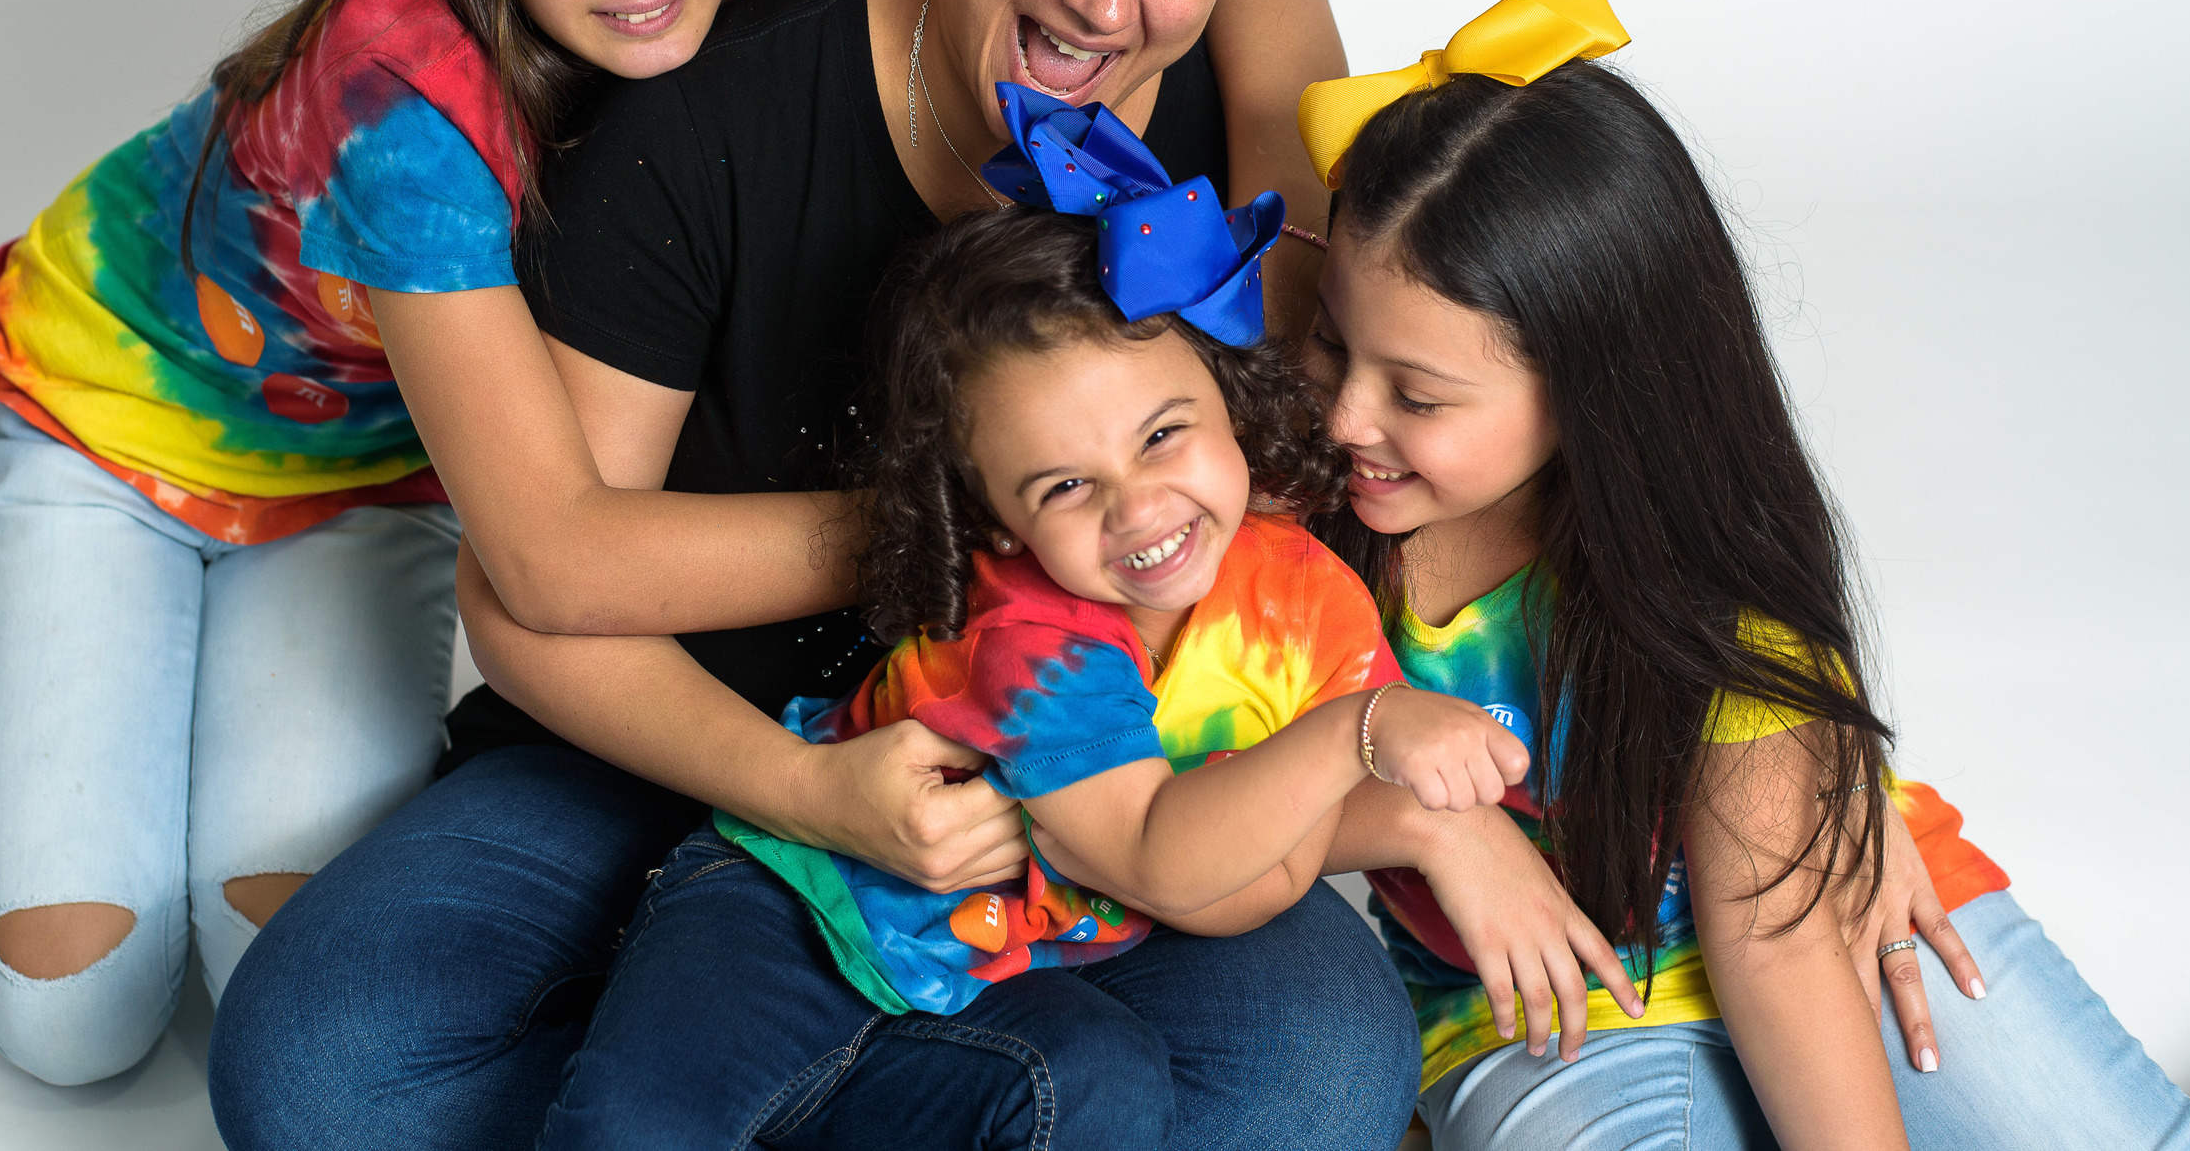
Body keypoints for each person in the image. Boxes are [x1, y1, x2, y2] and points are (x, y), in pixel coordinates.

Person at [208, 0, 1417, 1151]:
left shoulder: (1227, 99)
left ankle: (851, 1080)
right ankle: (900, 1075)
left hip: (1095, 785)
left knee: (1322, 1079)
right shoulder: (698, 130)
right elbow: (528, 603)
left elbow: (1326, 386)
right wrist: (813, 775)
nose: (1110, 4)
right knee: (320, 1072)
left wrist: (1264, 25)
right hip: (683, 760)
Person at [0, 0, 945, 1085]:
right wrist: (942, 518)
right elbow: (550, 549)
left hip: (365, 487)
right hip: (107, 432)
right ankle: (94, 627)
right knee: (78, 1016)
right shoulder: (402, 99)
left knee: (273, 945)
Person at [1293, 0, 2190, 1149]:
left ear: (1587, 392)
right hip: (1548, 1007)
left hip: (1839, 912)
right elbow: (1203, 797)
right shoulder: (1280, 505)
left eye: (1417, 395)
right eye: (1328, 341)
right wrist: (1424, 827)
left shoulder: (1697, 585)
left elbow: (1774, 942)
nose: (1347, 416)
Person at [535, 92, 1531, 1148]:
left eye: (1162, 434)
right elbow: (1165, 858)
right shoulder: (1030, 640)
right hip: (785, 913)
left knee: (1095, 1083)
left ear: (1230, 401)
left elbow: (1260, 870)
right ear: (994, 525)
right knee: (637, 1126)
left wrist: (1412, 803)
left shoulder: (1301, 593)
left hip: (978, 967)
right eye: (1063, 486)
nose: (1137, 506)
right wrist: (1357, 732)